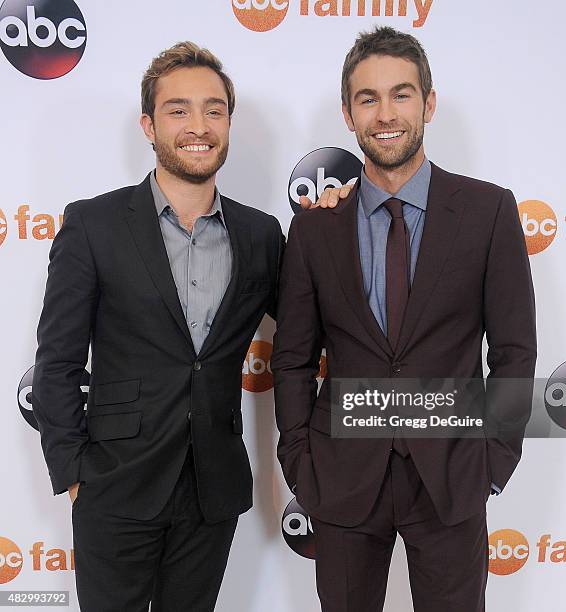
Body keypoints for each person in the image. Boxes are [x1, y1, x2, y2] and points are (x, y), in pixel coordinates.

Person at [271, 26, 536, 612]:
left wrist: (494, 461)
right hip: (340, 475)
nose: (385, 113)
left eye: (401, 94)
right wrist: (298, 460)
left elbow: (515, 351)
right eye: (368, 98)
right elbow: (292, 357)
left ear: (429, 103)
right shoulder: (315, 226)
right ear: (348, 113)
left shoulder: (488, 211)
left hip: (451, 474)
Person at [32, 41, 290, 611]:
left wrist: (334, 220)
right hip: (114, 484)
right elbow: (56, 363)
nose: (198, 126)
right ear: (149, 125)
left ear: (228, 122)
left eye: (214, 109)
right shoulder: (94, 224)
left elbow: (305, 332)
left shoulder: (262, 235)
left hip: (212, 488)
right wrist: (75, 471)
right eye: (179, 110)